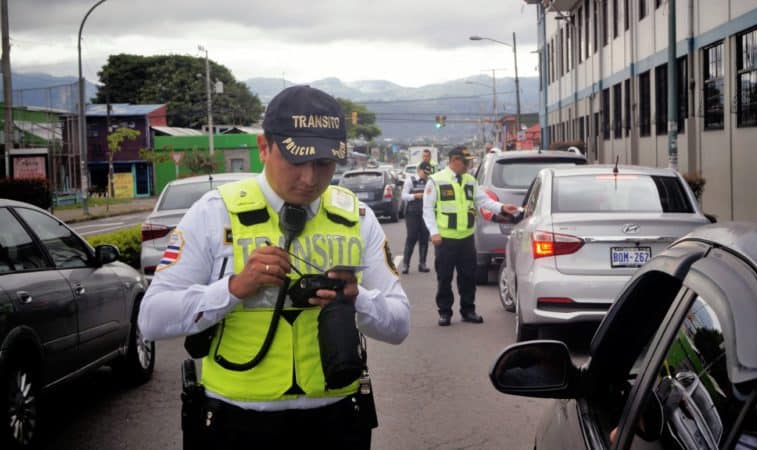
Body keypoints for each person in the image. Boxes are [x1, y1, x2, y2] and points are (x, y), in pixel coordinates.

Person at [138, 85, 410, 449]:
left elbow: (399, 324)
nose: (310, 178)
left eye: (324, 163)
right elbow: (151, 319)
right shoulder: (214, 213)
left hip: (337, 421)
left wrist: (356, 298)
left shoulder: (357, 218)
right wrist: (233, 288)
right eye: (297, 161)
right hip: (236, 423)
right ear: (264, 147)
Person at [422, 146, 519, 326]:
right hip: (445, 238)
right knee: (444, 277)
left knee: (468, 276)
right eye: (466, 162)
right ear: (455, 160)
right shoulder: (435, 181)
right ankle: (445, 312)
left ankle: (468, 310)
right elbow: (427, 210)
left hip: (466, 238)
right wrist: (434, 232)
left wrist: (502, 207)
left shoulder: (469, 180)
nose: (468, 165)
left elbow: (482, 200)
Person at [400, 161, 433, 274]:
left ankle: (422, 264)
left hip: (425, 213)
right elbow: (403, 196)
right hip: (412, 213)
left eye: (428, 173)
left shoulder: (430, 181)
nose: (426, 175)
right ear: (419, 170)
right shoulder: (410, 181)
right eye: (424, 172)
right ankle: (405, 264)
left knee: (424, 238)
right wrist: (415, 196)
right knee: (412, 237)